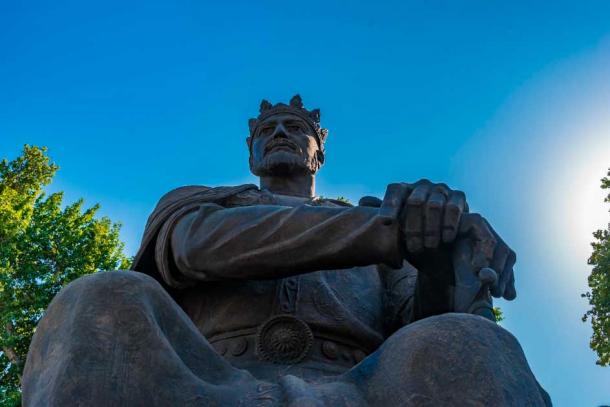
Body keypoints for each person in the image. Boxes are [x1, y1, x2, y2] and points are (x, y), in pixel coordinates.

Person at [22, 95, 550, 406]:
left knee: (472, 340)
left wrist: (437, 252)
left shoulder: (373, 219)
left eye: (295, 128)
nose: (280, 133)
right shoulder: (200, 202)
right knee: (100, 296)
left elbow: (418, 326)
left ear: (319, 149)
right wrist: (393, 230)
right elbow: (196, 248)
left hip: (359, 386)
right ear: (251, 152)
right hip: (203, 378)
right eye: (267, 130)